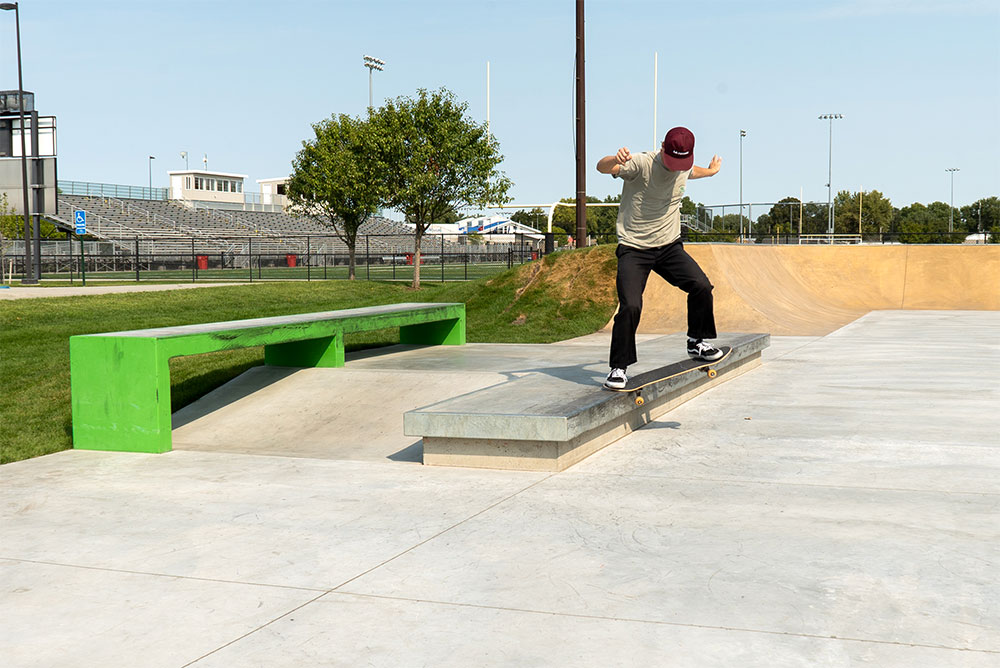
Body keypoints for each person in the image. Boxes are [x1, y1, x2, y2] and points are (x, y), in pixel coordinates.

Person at [596, 126, 723, 389]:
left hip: (669, 247)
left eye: (681, 163)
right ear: (663, 147)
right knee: (631, 305)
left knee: (701, 286)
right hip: (634, 248)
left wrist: (710, 172)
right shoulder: (642, 163)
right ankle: (618, 368)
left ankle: (696, 342)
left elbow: (691, 171)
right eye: (671, 161)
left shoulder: (684, 166)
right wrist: (614, 159)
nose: (676, 168)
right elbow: (602, 167)